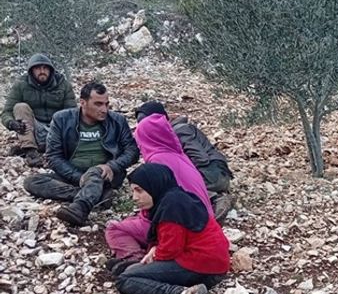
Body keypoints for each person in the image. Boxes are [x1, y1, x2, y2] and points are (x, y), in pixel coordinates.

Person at [115, 163, 229, 294]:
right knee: (126, 269)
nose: (134, 197)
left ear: (154, 186)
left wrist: (155, 254)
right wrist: (154, 250)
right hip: (212, 261)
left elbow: (170, 250)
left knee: (125, 279)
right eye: (133, 191)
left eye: (139, 190)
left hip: (203, 266)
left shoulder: (171, 207)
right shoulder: (175, 197)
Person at [106, 113, 215, 272]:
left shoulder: (157, 159)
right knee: (133, 220)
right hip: (202, 216)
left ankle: (133, 259)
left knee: (114, 228)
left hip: (179, 220)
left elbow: (159, 199)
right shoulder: (177, 153)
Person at [24, 82, 139, 226]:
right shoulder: (62, 119)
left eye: (106, 104)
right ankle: (94, 194)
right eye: (98, 104)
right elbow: (53, 156)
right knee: (32, 182)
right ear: (83, 103)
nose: (104, 109)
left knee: (95, 173)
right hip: (73, 174)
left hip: (106, 174)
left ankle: (80, 208)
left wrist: (112, 165)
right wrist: (79, 177)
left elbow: (133, 151)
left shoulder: (117, 120)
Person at [135, 101, 234, 220]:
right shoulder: (168, 135)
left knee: (174, 183)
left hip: (214, 174)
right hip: (213, 173)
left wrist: (183, 170)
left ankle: (215, 199)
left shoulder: (179, 131)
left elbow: (200, 158)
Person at [1, 53, 76, 166]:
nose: (42, 71)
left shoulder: (63, 85)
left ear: (51, 70)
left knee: (69, 116)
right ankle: (30, 151)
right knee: (20, 107)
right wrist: (12, 123)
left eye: (45, 68)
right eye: (37, 68)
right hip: (33, 128)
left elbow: (72, 112)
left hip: (57, 128)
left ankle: (47, 148)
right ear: (31, 71)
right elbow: (6, 112)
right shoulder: (21, 85)